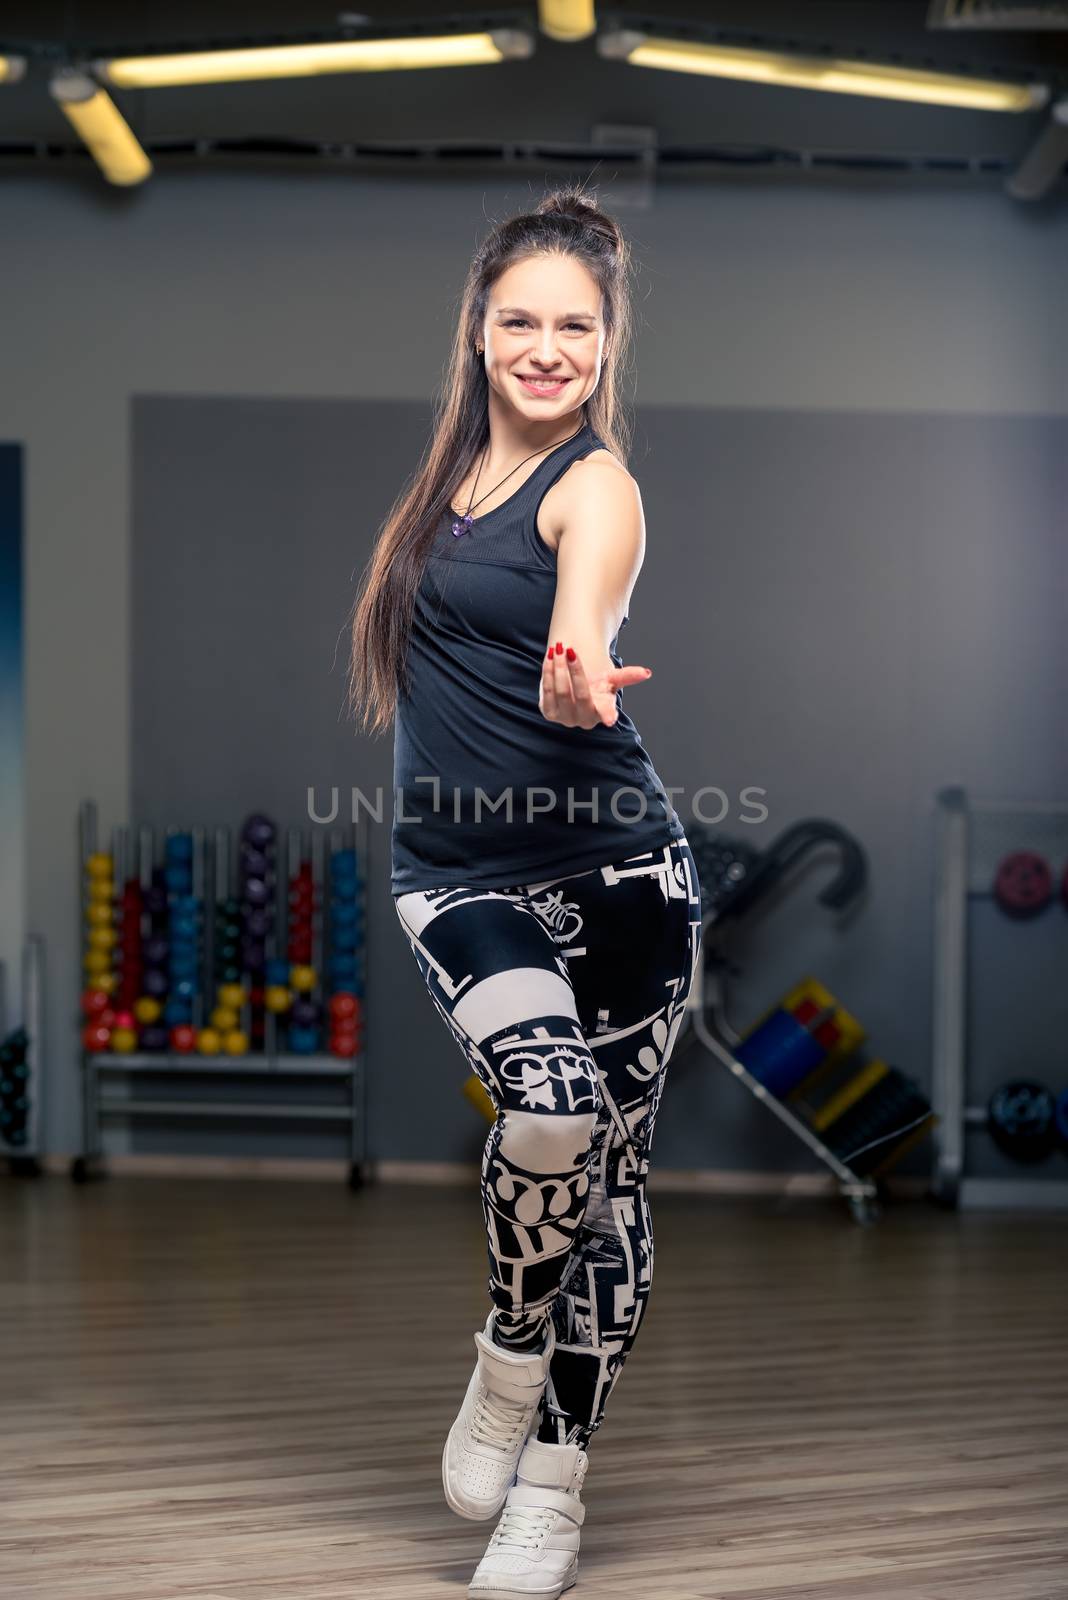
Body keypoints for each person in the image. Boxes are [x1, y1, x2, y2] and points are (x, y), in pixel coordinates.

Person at [348, 184, 702, 1600]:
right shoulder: (446, 491)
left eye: (576, 325)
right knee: (550, 1117)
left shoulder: (597, 484)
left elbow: (586, 606)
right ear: (479, 332)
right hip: (459, 879)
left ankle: (551, 1488)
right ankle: (507, 1343)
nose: (547, 347)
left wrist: (577, 664)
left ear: (607, 345)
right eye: (521, 321)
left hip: (621, 877)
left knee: (610, 1193)